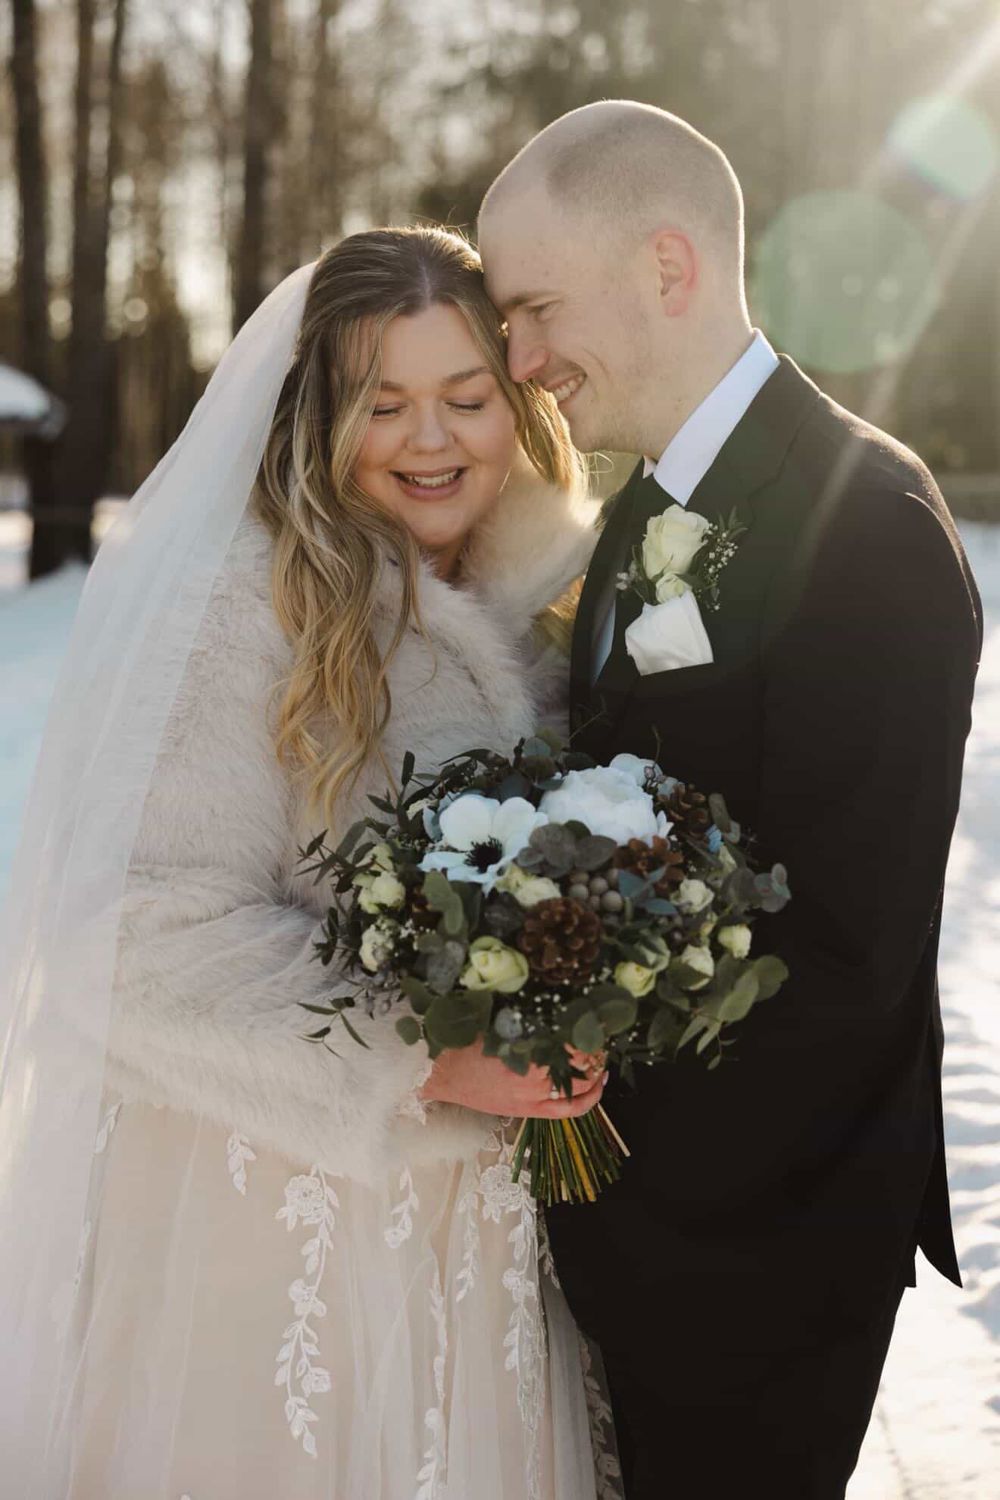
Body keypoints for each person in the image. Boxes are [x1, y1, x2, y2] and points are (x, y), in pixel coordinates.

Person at [0, 226, 617, 1499]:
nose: (431, 439)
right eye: (382, 404)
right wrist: (430, 1052)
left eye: (465, 398)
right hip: (276, 1241)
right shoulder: (242, 605)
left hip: (479, 1246)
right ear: (316, 421)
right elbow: (131, 935)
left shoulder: (550, 607)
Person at [477, 101, 983, 1499]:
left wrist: (566, 1034)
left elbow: (846, 950)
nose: (518, 363)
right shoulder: (641, 509)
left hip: (763, 1249)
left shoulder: (865, 521)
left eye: (533, 311)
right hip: (631, 1231)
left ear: (668, 266)